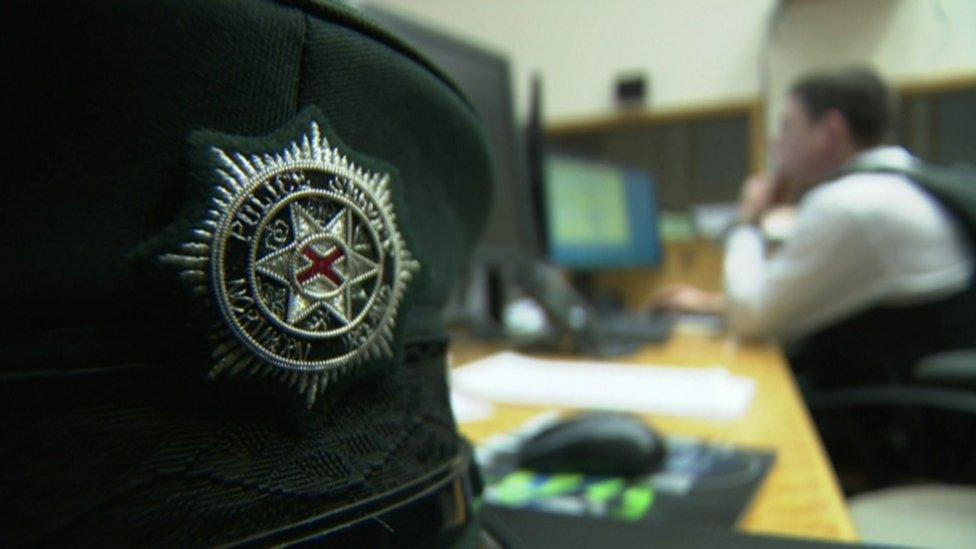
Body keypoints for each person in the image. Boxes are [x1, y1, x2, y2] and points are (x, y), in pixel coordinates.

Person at [656, 67, 976, 388]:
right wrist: (711, 304)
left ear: (829, 132)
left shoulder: (850, 204)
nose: (774, 142)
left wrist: (748, 222)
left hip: (872, 414)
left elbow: (751, 319)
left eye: (787, 126)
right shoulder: (899, 186)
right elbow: (795, 298)